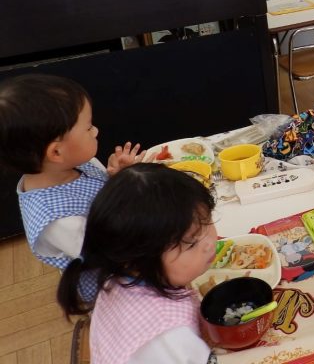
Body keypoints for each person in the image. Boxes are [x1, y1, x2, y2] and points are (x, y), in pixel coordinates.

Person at [58, 163, 217, 364]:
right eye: (191, 242)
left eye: (208, 221)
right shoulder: (169, 336)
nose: (210, 243)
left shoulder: (119, 278)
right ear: (138, 259)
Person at [0, 74, 145, 274]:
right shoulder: (57, 221)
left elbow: (106, 195)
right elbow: (112, 252)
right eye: (88, 128)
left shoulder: (76, 163)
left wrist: (118, 177)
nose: (96, 131)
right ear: (56, 152)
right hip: (113, 277)